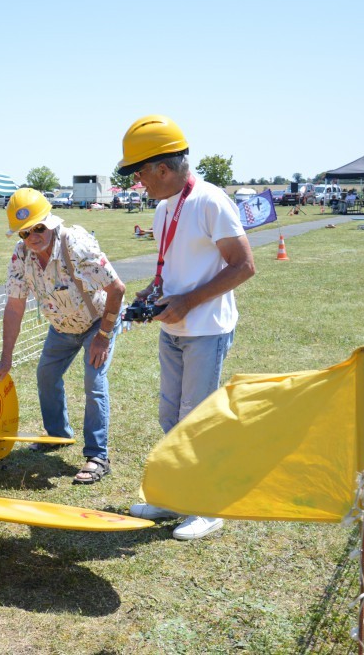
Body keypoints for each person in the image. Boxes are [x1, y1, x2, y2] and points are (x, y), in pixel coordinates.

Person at [117, 115, 256, 540]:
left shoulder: (210, 201)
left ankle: (208, 507)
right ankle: (175, 496)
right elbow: (173, 271)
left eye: (139, 173)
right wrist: (151, 294)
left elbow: (244, 267)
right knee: (170, 416)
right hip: (173, 328)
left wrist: (187, 303)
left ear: (162, 167)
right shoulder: (163, 209)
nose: (138, 182)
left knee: (197, 419)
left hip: (206, 329)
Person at [0, 188, 126, 485]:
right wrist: (5, 359)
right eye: (25, 232)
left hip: (96, 323)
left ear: (50, 222)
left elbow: (117, 289)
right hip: (62, 328)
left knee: (94, 381)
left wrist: (103, 335)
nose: (33, 236)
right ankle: (57, 436)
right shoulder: (20, 255)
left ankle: (97, 456)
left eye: (39, 227)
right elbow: (14, 307)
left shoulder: (76, 245)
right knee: (46, 376)